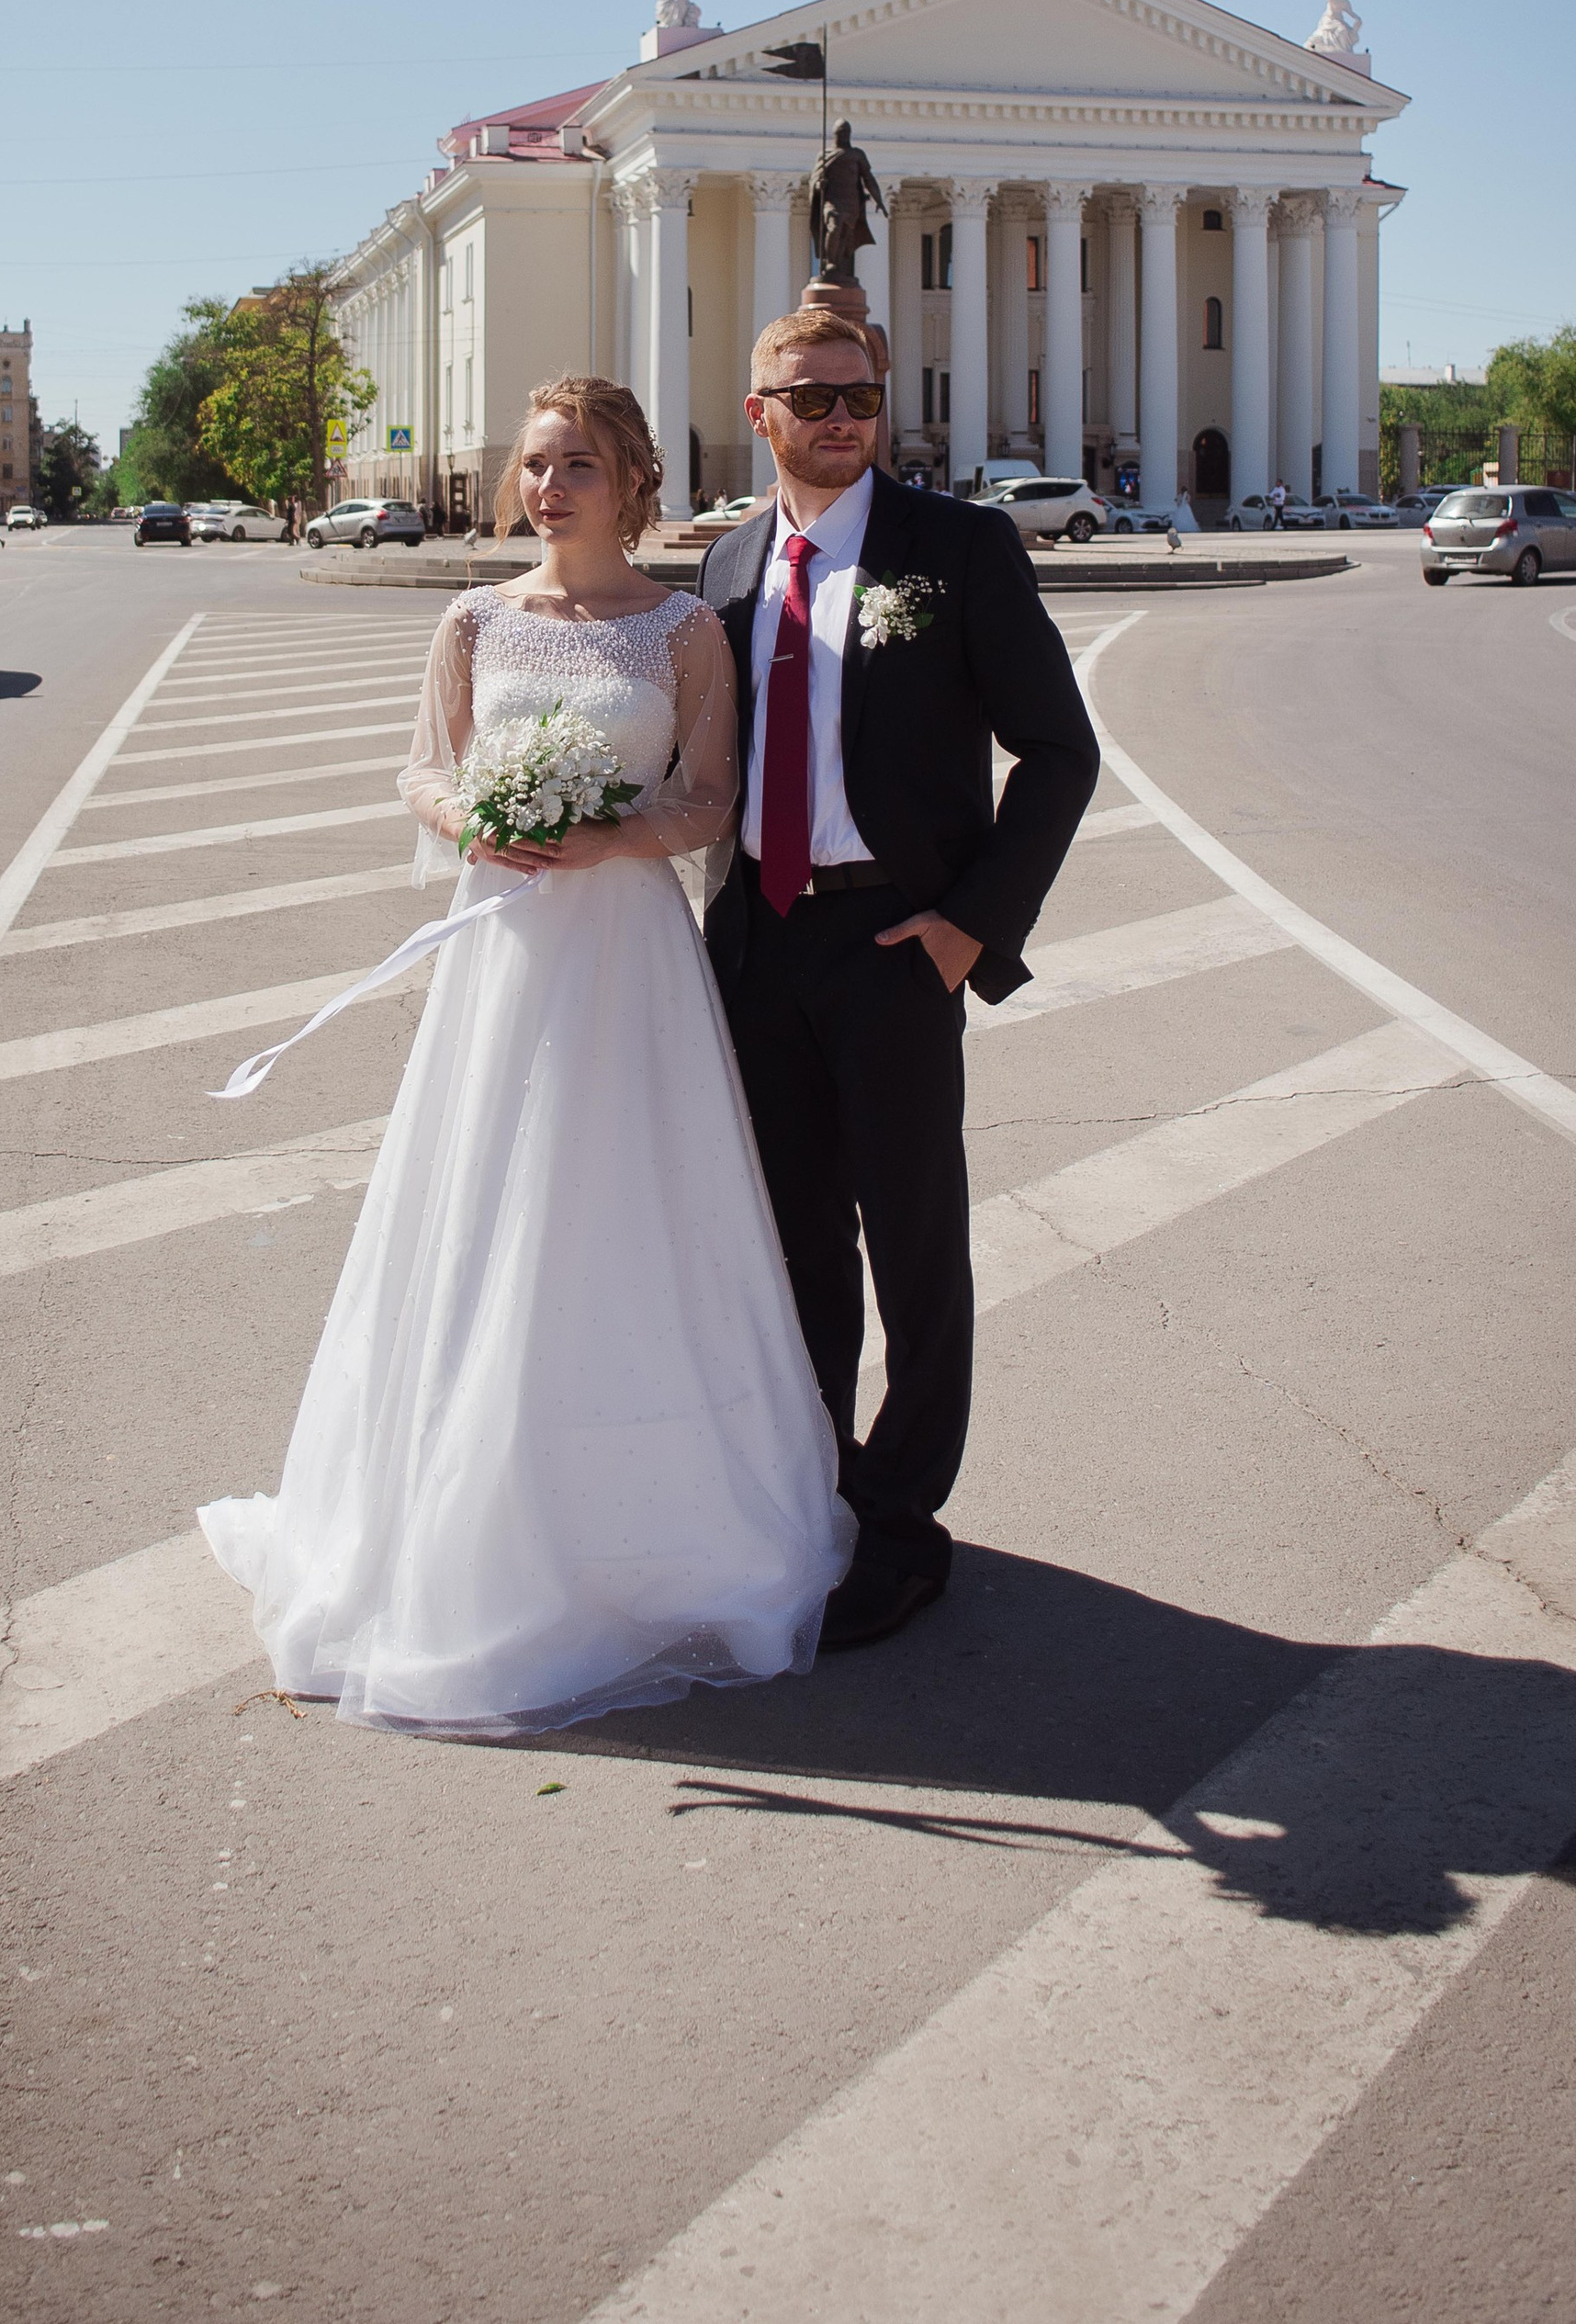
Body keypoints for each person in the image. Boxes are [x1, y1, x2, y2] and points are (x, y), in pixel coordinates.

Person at [197, 376, 851, 1737]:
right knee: (485, 1204)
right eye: (537, 466)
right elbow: (422, 773)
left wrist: (609, 834)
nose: (550, 489)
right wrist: (479, 820)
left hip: (628, 955)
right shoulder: (473, 619)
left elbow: (710, 800)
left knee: (625, 1209)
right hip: (501, 951)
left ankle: (657, 1521)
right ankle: (452, 1511)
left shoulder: (684, 630)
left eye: (579, 466)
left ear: (633, 483)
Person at [699, 312, 1098, 1650]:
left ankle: (905, 1526)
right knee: (798, 1244)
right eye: (811, 397)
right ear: (759, 412)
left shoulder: (959, 547)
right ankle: (818, 1491)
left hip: (895, 945)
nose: (841, 418)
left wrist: (970, 926)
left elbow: (1059, 750)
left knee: (917, 1248)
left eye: (860, 396)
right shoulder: (730, 562)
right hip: (760, 948)